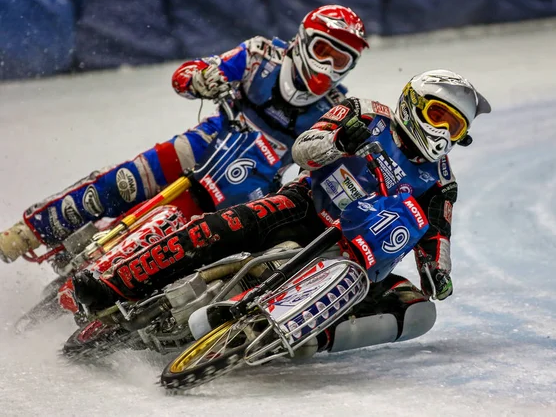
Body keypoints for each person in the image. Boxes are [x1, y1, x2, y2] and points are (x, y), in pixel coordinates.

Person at [72, 69, 491, 354]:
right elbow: (303, 149)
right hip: (305, 206)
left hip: (360, 259)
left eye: (454, 127)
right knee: (223, 226)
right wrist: (340, 142)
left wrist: (437, 270)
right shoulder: (365, 112)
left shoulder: (441, 181)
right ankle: (116, 283)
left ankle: (311, 337)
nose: (442, 133)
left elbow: (439, 233)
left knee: (419, 312)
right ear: (412, 104)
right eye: (438, 115)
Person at [0, 5, 369, 266]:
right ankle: (27, 233)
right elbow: (189, 73)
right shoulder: (260, 55)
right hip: (206, 142)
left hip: (253, 183)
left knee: (199, 246)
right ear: (302, 40)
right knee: (119, 182)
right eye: (322, 50)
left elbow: (330, 168)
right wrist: (201, 79)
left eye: (340, 60)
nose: (326, 66)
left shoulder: (336, 109)